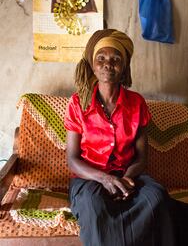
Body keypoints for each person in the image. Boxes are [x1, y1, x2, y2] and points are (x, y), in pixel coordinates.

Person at [64, 29, 175, 246]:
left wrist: (126, 179)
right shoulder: (78, 103)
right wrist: (105, 179)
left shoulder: (137, 103)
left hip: (129, 175)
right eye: (101, 58)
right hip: (90, 179)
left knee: (157, 197)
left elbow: (142, 157)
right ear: (93, 66)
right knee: (94, 206)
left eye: (116, 59)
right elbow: (72, 159)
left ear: (124, 67)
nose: (108, 64)